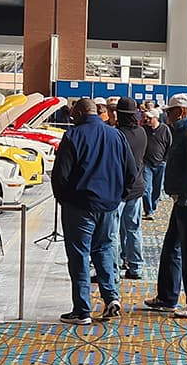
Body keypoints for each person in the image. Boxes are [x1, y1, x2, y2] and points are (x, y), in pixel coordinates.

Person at [51, 98, 137, 325]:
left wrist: (64, 199)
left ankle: (82, 310)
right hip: (108, 205)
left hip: (79, 206)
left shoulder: (73, 136)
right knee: (105, 250)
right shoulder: (116, 135)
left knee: (79, 255)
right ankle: (111, 298)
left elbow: (60, 175)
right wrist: (119, 196)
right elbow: (131, 171)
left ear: (79, 113)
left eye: (73, 114)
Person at [144, 93, 187, 319]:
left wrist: (184, 197)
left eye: (170, 112)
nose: (167, 116)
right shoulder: (182, 132)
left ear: (182, 112)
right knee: (171, 248)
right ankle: (167, 296)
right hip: (183, 199)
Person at [115, 97, 147, 280]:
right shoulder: (142, 133)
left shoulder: (117, 134)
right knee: (133, 228)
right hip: (136, 187)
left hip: (118, 188)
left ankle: (114, 266)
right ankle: (136, 267)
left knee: (113, 231)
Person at [142, 108, 172, 220]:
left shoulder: (165, 129)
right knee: (146, 188)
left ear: (156, 118)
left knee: (157, 189)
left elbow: (169, 145)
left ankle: (153, 207)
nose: (147, 120)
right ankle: (148, 210)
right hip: (146, 164)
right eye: (146, 118)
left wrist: (165, 159)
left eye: (150, 118)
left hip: (160, 164)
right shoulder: (144, 129)